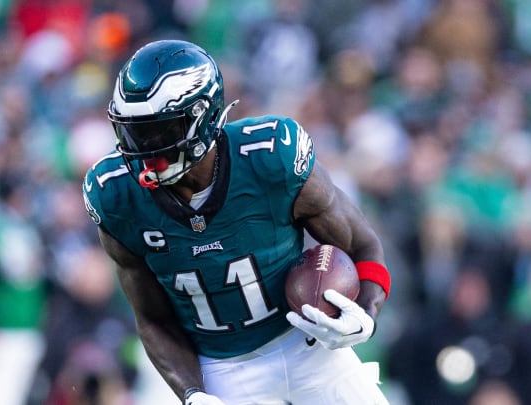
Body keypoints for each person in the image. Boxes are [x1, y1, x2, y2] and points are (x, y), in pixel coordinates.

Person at [82, 39, 391, 405]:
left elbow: (363, 245)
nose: (142, 150)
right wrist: (193, 394)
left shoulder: (270, 158)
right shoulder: (115, 196)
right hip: (220, 368)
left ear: (203, 116)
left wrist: (365, 317)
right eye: (132, 132)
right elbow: (153, 320)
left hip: (308, 344)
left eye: (157, 131)